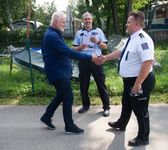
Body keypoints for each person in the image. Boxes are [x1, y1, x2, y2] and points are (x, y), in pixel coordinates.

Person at [39, 11, 102, 135]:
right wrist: (90, 58)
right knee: (68, 97)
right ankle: (69, 126)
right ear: (55, 22)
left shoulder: (54, 33)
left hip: (59, 71)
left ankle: (46, 116)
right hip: (57, 72)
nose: (64, 25)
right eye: (63, 22)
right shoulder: (52, 35)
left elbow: (65, 51)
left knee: (61, 95)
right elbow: (69, 52)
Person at [100, 11, 155, 146]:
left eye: (128, 22)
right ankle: (121, 123)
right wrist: (106, 58)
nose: (126, 24)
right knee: (127, 103)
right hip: (130, 81)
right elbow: (121, 52)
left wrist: (138, 84)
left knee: (140, 110)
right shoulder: (132, 38)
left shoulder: (143, 39)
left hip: (140, 80)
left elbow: (147, 63)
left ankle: (143, 137)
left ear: (136, 24)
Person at [73, 12, 110, 117]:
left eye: (89, 19)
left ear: (92, 20)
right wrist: (80, 48)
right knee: (83, 84)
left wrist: (97, 42)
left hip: (97, 60)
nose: (87, 21)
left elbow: (105, 47)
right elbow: (74, 48)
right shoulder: (79, 33)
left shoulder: (98, 31)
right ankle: (85, 105)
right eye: (85, 19)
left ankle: (106, 107)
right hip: (84, 61)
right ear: (83, 21)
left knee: (101, 83)